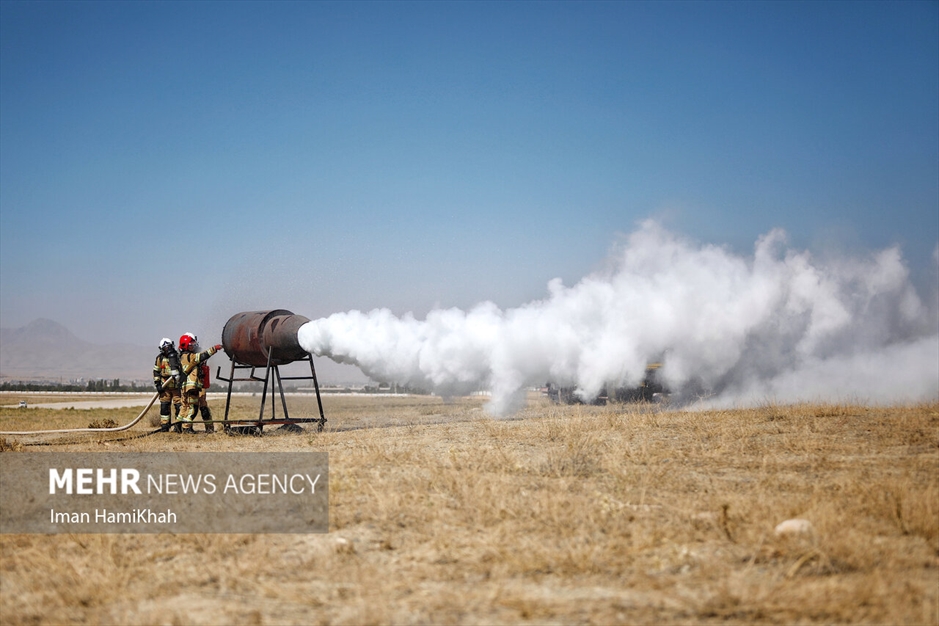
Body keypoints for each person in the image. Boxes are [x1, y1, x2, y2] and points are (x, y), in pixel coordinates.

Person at [178, 332, 222, 434]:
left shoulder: (183, 356)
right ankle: (187, 428)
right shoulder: (190, 356)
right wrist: (215, 348)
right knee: (193, 407)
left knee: (185, 406)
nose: (194, 346)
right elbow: (202, 356)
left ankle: (179, 426)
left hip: (188, 386)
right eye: (191, 344)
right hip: (192, 387)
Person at [152, 338, 182, 432]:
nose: (168, 349)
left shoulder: (178, 356)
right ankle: (165, 426)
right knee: (164, 407)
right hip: (165, 387)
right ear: (161, 349)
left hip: (177, 387)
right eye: (165, 348)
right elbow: (156, 371)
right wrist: (158, 384)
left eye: (169, 347)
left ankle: (178, 426)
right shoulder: (160, 358)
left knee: (179, 406)